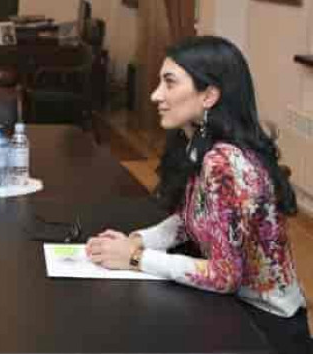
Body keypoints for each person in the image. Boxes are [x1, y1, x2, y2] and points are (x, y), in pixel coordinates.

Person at [86, 36, 310, 354]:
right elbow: (190, 218)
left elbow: (224, 276)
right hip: (235, 310)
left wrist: (135, 258)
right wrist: (137, 240)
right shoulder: (199, 144)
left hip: (266, 327)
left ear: (209, 95)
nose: (155, 95)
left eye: (169, 83)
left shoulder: (225, 162)